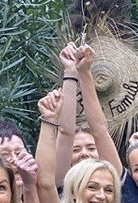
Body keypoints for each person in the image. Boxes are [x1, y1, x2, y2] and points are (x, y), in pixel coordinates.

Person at [51, 42, 124, 182]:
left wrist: (84, 71)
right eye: (75, 150)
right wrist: (70, 71)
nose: (84, 154)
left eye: (91, 148)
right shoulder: (60, 184)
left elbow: (100, 131)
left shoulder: (114, 180)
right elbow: (66, 133)